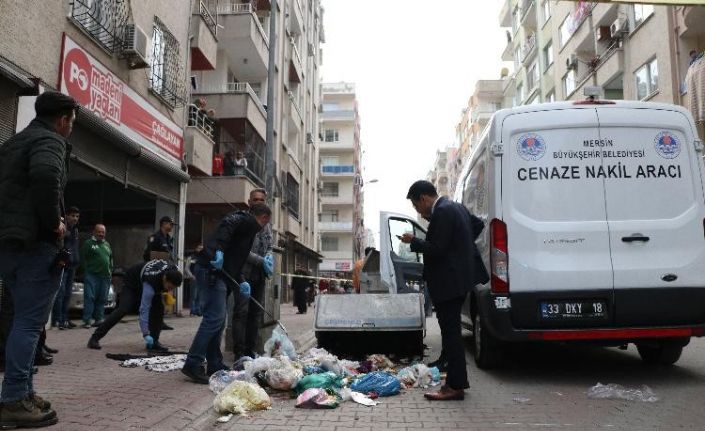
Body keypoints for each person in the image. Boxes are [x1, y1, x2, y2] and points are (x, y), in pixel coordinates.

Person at [0, 91, 79, 428]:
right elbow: (47, 176)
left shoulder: (13, 144)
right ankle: (14, 400)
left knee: (19, 320)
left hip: (10, 246)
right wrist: (54, 223)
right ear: (62, 119)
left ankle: (23, 391)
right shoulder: (50, 142)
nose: (71, 129)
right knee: (30, 324)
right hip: (35, 246)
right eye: (72, 122)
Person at [400, 180, 488, 401]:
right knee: (452, 333)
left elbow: (437, 250)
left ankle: (455, 386)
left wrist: (414, 241)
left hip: (448, 281)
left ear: (423, 198)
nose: (417, 211)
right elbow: (477, 225)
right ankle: (452, 374)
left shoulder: (442, 212)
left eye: (415, 205)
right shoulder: (455, 207)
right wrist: (461, 247)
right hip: (459, 280)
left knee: (451, 335)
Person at [181, 203, 272, 384]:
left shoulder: (247, 230)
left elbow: (235, 259)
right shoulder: (244, 221)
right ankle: (193, 362)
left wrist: (241, 280)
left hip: (219, 273)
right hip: (211, 270)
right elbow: (226, 228)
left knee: (219, 319)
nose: (264, 227)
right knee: (214, 318)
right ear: (263, 218)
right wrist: (218, 251)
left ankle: (214, 363)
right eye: (265, 223)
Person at [87, 260, 182, 352]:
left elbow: (168, 282)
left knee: (158, 309)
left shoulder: (174, 270)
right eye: (169, 287)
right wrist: (145, 334)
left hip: (149, 279)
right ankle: (94, 338)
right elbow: (144, 309)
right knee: (124, 309)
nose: (170, 290)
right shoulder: (151, 283)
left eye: (173, 288)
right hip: (131, 282)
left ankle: (154, 343)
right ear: (165, 278)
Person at [232, 189, 274, 359]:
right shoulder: (242, 220)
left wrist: (269, 257)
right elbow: (242, 250)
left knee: (256, 314)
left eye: (261, 199)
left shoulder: (266, 223)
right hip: (243, 275)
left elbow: (270, 244)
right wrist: (261, 260)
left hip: (260, 275)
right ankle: (239, 352)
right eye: (255, 199)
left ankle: (251, 349)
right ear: (249, 201)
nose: (258, 202)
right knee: (241, 312)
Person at [52, 206, 80, 329]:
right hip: (63, 265)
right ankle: (57, 320)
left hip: (72, 265)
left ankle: (65, 319)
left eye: (77, 216)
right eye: (73, 215)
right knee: (61, 292)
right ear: (67, 216)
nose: (75, 218)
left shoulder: (75, 231)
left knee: (68, 293)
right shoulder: (62, 227)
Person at [80, 224, 113, 329]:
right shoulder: (88, 244)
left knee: (102, 299)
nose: (101, 234)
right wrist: (86, 272)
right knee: (89, 297)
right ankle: (87, 320)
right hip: (92, 276)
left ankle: (99, 319)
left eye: (103, 232)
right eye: (99, 232)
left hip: (105, 276)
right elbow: (83, 259)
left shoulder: (107, 244)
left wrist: (110, 270)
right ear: (94, 232)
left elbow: (111, 258)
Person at [185, 245, 203, 316]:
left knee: (199, 296)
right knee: (193, 296)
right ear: (196, 249)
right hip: (194, 279)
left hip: (201, 279)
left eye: (202, 248)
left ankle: (198, 310)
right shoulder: (191, 257)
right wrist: (191, 276)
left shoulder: (203, 258)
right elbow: (186, 268)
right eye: (199, 248)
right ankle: (192, 311)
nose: (200, 250)